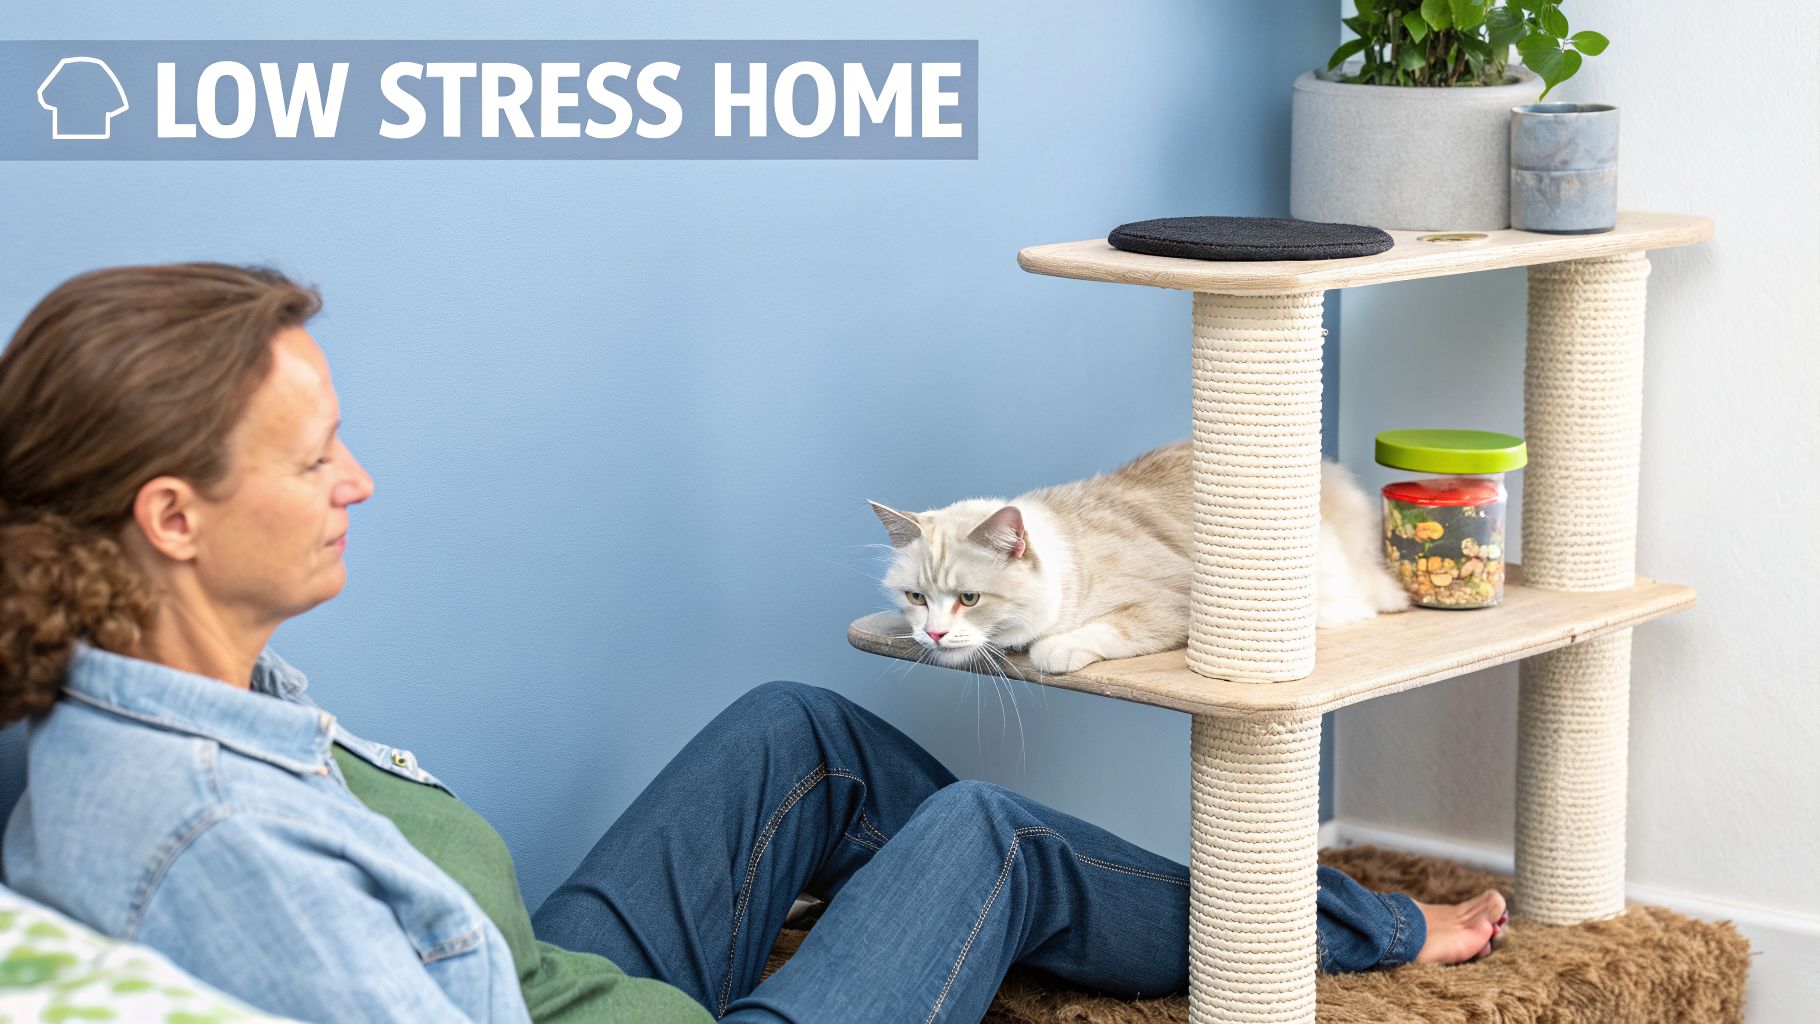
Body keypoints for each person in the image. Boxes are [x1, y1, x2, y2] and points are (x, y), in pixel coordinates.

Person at [0, 264, 1507, 1024]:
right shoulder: (199, 838)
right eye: (314, 457)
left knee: (797, 726)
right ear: (171, 518)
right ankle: (1364, 933)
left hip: (543, 981)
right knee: (982, 839)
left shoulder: (191, 701)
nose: (360, 482)